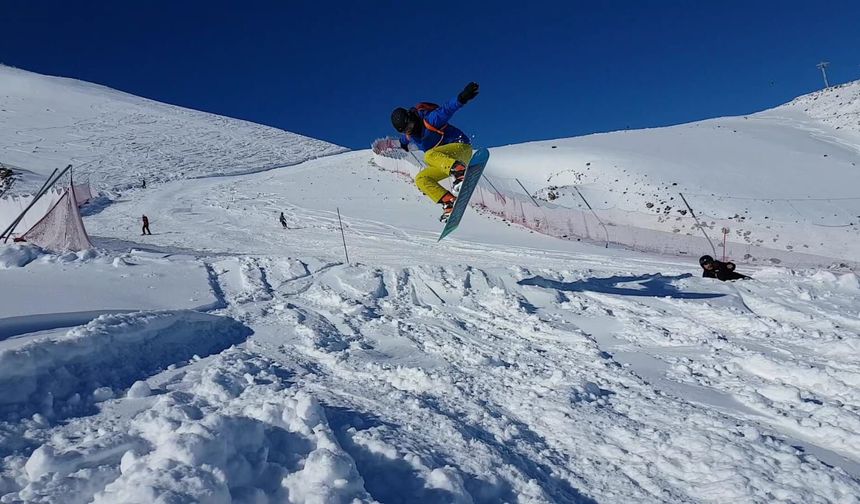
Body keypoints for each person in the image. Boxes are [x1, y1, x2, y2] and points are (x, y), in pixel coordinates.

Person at [391, 82, 480, 221]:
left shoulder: (430, 120)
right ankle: (449, 201)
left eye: (409, 125)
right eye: (406, 129)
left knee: (429, 155)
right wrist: (403, 144)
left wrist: (463, 97)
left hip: (461, 148)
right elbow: (405, 139)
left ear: (411, 118)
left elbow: (447, 109)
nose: (410, 129)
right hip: (447, 162)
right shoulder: (410, 134)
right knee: (421, 179)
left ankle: (459, 171)